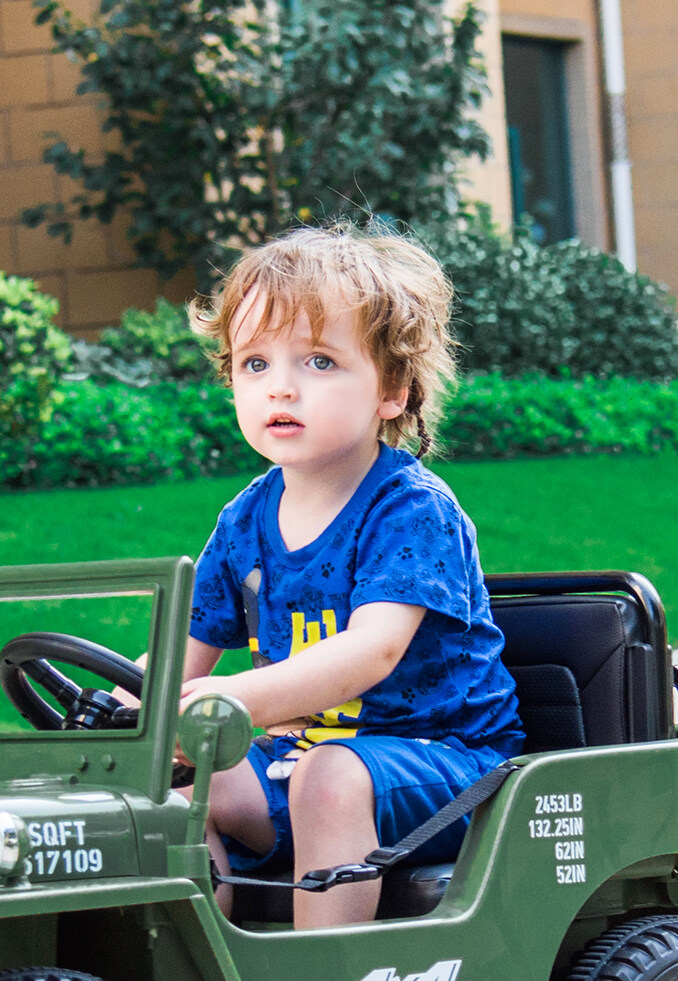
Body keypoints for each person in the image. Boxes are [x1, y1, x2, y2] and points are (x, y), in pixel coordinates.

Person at [183, 224, 523, 929]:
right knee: (175, 781)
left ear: (391, 391)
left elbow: (373, 652)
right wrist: (125, 704)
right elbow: (182, 665)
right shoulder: (242, 522)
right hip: (296, 761)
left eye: (317, 361)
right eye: (255, 364)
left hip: (452, 769)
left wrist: (230, 698)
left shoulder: (410, 508)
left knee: (331, 777)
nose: (281, 386)